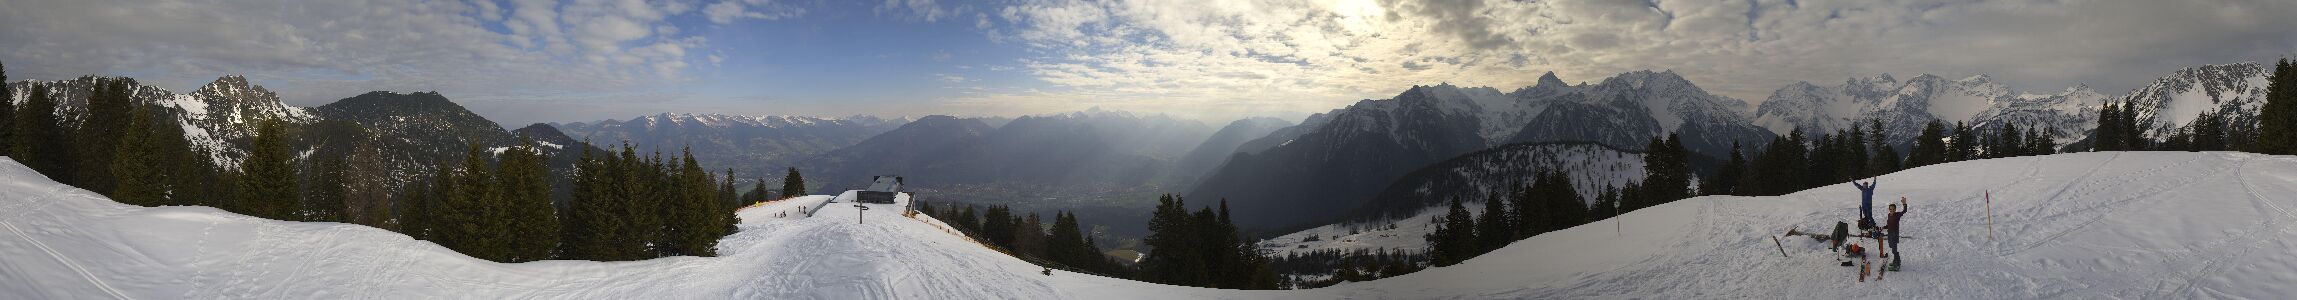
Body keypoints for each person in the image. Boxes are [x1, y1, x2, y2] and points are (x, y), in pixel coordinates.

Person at [1886, 197, 1909, 267]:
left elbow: (1904, 211)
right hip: (1889, 233)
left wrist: (1904, 203)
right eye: (1890, 209)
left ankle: (1897, 262)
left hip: (1894, 234)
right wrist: (1883, 227)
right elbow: (1888, 224)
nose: (1892, 210)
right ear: (1889, 209)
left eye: (1893, 209)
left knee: (1894, 250)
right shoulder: (1889, 215)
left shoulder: (1897, 215)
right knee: (1891, 246)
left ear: (1895, 209)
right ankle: (1896, 260)